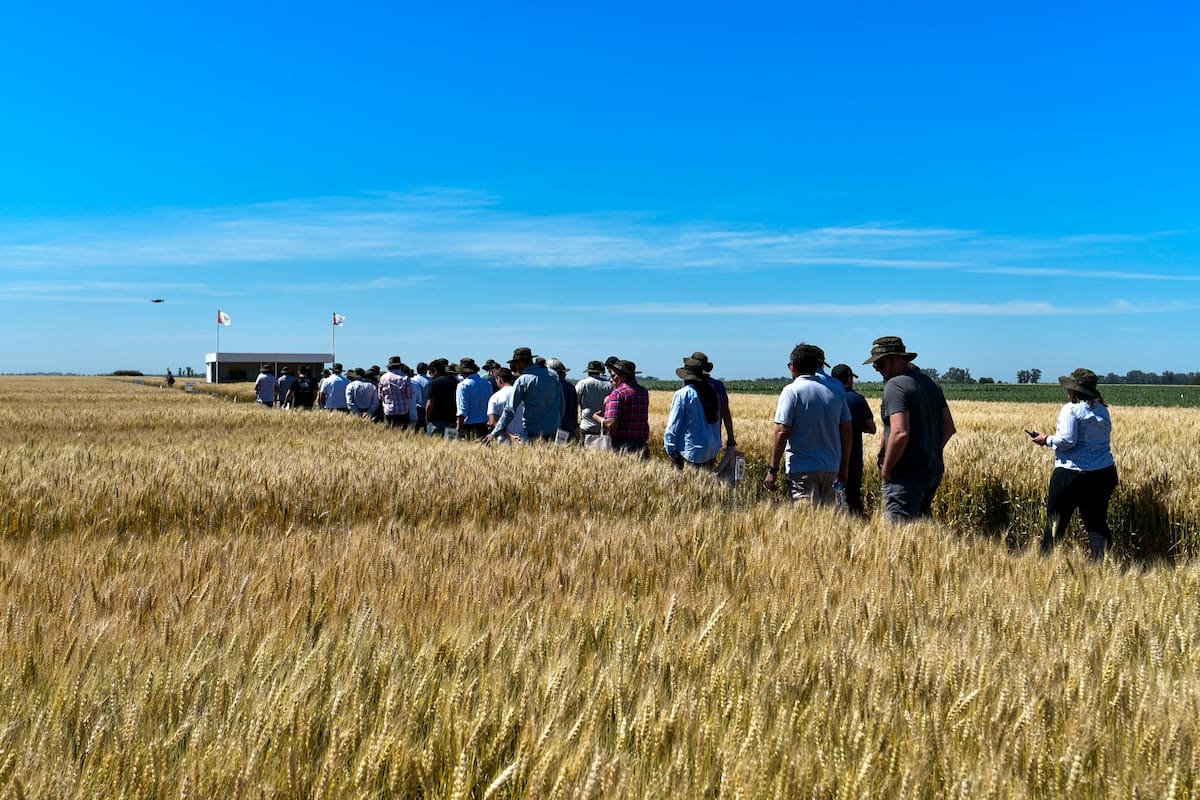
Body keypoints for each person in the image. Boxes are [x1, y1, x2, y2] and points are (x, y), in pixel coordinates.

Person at [864, 335, 956, 521]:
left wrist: (887, 468)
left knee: (899, 532)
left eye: (880, 363)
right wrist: (929, 452)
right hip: (931, 471)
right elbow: (949, 427)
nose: (878, 369)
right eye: (875, 366)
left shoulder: (895, 385)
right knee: (922, 530)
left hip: (904, 476)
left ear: (896, 358)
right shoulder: (930, 383)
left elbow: (900, 432)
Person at [1030, 368, 1118, 560]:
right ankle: (1103, 569)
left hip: (1072, 475)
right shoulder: (1102, 410)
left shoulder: (1071, 409)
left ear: (1075, 390)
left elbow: (1067, 440)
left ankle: (1046, 566)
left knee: (1055, 525)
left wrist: (1046, 440)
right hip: (1104, 474)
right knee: (1097, 524)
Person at [764, 344, 851, 505]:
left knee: (806, 518)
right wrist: (844, 466)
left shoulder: (792, 391)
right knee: (829, 518)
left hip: (802, 468)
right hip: (831, 468)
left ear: (793, 367)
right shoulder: (837, 391)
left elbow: (782, 431)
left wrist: (773, 469)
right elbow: (846, 430)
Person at [484, 347, 563, 444]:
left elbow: (510, 410)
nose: (515, 367)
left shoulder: (523, 380)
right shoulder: (553, 375)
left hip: (533, 434)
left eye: (515, 363)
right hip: (554, 432)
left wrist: (495, 432)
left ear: (520, 362)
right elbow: (562, 405)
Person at [832, 364, 877, 515]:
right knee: (853, 497)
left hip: (830, 455)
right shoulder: (858, 399)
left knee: (831, 498)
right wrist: (856, 427)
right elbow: (872, 428)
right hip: (854, 456)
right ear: (849, 379)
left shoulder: (828, 397)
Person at [664, 358, 723, 469]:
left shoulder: (683, 394)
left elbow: (673, 426)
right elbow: (716, 424)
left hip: (691, 452)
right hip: (710, 451)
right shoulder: (712, 393)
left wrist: (671, 451)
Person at [599, 359, 650, 456]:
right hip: (641, 442)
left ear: (622, 376)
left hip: (622, 444)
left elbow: (610, 424)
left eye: (613, 375)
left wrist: (597, 417)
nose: (611, 379)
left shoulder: (618, 393)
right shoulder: (644, 391)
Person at [690, 351, 736, 449]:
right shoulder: (718, 386)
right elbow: (725, 413)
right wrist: (731, 438)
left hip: (692, 442)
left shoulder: (687, 387)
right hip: (713, 440)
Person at [576, 360, 613, 447]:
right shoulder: (609, 385)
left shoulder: (583, 383)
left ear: (588, 372)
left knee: (584, 452)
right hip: (604, 426)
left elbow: (575, 402)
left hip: (587, 425)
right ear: (600, 371)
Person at [455, 357, 492, 439]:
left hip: (468, 426)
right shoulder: (487, 384)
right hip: (484, 425)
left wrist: (459, 428)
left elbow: (462, 410)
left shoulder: (463, 385)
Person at [487, 367, 525, 443]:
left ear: (499, 379)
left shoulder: (495, 397)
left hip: (503, 441)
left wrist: (510, 436)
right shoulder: (523, 394)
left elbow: (493, 422)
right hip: (523, 439)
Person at [547, 358, 578, 442]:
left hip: (549, 426)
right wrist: (575, 425)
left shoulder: (547, 385)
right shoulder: (570, 387)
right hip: (566, 425)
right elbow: (574, 409)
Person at [378, 356, 414, 428]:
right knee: (404, 432)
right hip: (403, 411)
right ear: (400, 366)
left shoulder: (383, 378)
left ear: (389, 367)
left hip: (389, 410)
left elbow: (380, 396)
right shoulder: (405, 377)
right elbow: (410, 395)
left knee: (390, 432)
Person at [425, 359, 458, 436]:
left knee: (433, 443)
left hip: (436, 423)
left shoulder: (433, 383)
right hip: (452, 422)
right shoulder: (456, 383)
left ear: (435, 371)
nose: (429, 375)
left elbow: (430, 404)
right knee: (451, 443)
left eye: (430, 372)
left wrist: (427, 418)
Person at [411, 362, 430, 432]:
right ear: (426, 370)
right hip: (426, 407)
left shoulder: (412, 380)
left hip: (415, 407)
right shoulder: (429, 381)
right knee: (427, 430)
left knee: (415, 430)